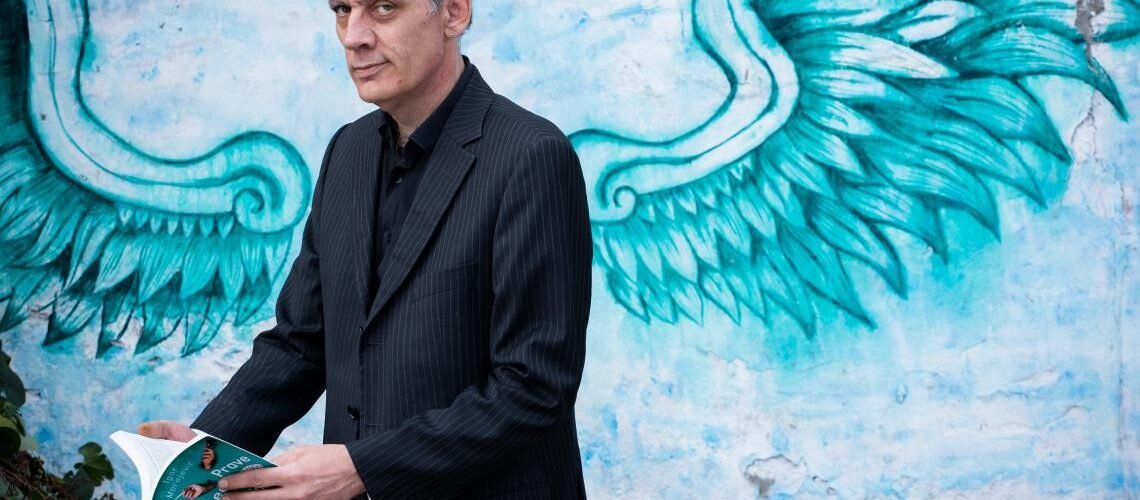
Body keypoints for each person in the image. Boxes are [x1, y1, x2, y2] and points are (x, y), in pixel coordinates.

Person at [138, 0, 593, 498]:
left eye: (383, 8)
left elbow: (534, 387)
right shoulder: (346, 152)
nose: (353, 36)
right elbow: (301, 343)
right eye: (342, 9)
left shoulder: (532, 155)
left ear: (454, 13)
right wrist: (200, 456)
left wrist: (362, 469)